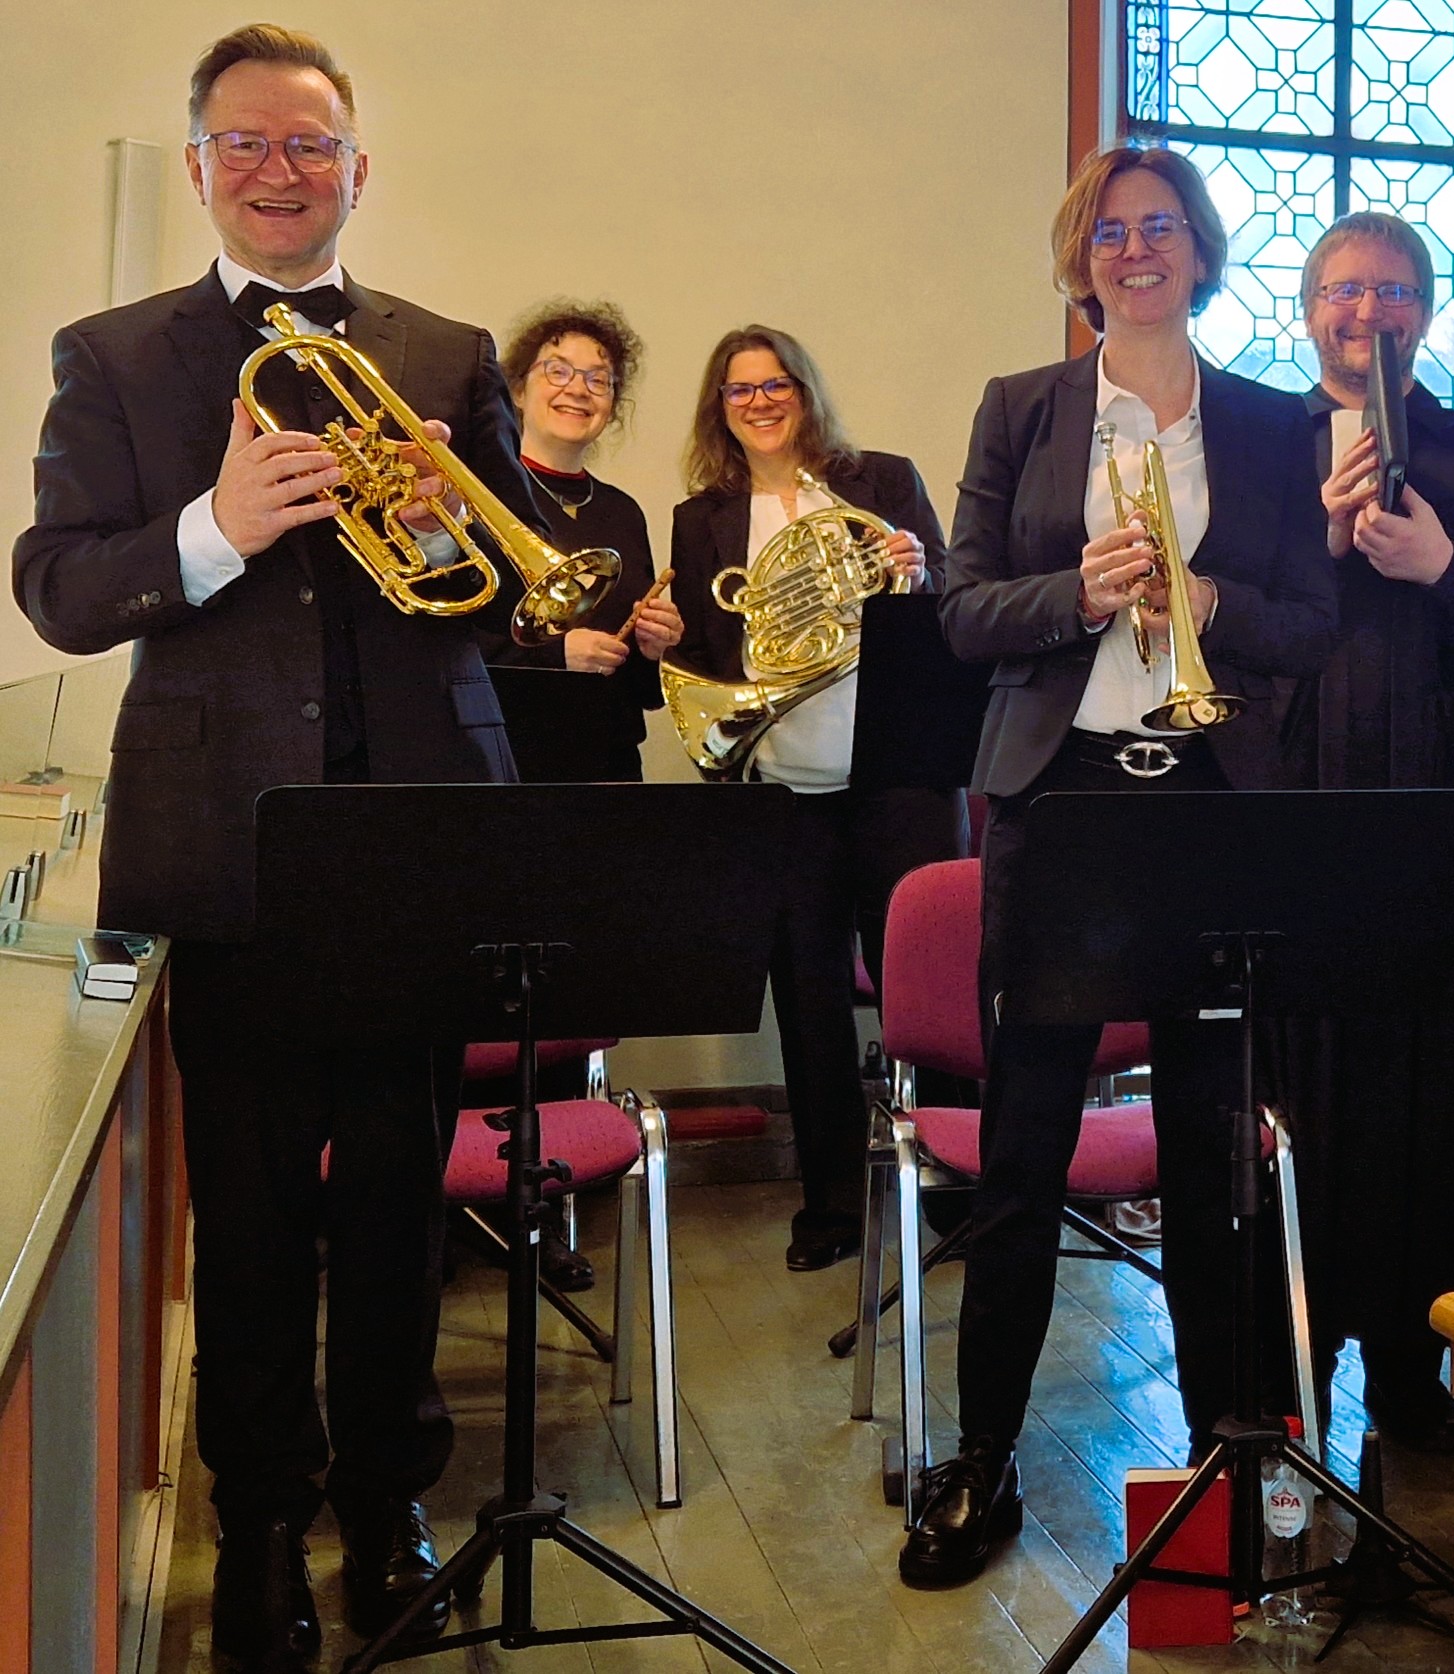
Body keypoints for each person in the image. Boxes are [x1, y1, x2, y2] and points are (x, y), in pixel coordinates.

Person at [10, 25, 541, 1667]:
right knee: (246, 1228)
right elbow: (61, 586)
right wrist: (214, 530)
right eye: (242, 144)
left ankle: (389, 1512)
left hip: (412, 849)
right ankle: (257, 1536)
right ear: (197, 167)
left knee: (401, 1208)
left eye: (307, 145)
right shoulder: (116, 356)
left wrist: (454, 525)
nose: (276, 169)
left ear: (356, 169)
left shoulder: (445, 350)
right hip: (223, 850)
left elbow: (512, 595)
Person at [904, 144, 1334, 1587]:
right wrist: (1068, 591)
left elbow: (1317, 622)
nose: (1133, 249)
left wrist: (1219, 598)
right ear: (1080, 258)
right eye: (1107, 230)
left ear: (1201, 253)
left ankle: (1235, 1448)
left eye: (1160, 228)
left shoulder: (1276, 423)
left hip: (1215, 804)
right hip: (1063, 803)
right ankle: (983, 1460)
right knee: (1021, 1153)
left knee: (1218, 1150)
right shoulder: (1022, 411)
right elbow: (958, 611)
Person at [1268, 212, 1454, 1452]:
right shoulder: (1257, 445)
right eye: (1344, 292)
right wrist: (1318, 552)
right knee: (1305, 1104)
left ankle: (1413, 1370)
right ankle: (1290, 1362)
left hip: (1449, 832)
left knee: (1441, 1113)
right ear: (1307, 310)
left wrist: (1450, 566)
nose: (1367, 314)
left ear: (1427, 314)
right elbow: (1217, 619)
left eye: (1394, 294)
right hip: (1295, 832)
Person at [668, 324, 966, 1273]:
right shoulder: (702, 516)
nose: (758, 401)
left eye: (775, 384)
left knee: (928, 986)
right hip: (784, 789)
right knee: (807, 998)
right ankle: (831, 1205)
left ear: (804, 390)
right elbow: (713, 648)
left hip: (897, 779)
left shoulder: (882, 479)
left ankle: (959, 1192)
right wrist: (662, 636)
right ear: (721, 408)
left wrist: (920, 575)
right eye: (738, 390)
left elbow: (952, 603)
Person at [482, 299, 682, 782]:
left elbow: (642, 690)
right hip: (508, 759)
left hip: (609, 761)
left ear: (612, 406)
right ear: (519, 390)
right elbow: (449, 646)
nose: (579, 389)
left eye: (599, 379)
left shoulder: (622, 511)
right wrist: (555, 655)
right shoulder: (481, 498)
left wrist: (655, 649)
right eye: (558, 371)